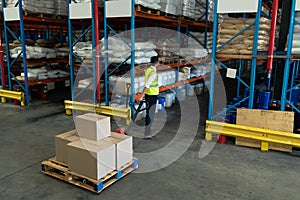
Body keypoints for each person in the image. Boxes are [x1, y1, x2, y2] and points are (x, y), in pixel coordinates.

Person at [138, 56, 160, 140]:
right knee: (150, 114)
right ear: (157, 62)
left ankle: (148, 133)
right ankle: (147, 134)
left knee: (149, 114)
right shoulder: (153, 73)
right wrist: (141, 96)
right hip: (151, 95)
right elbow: (147, 85)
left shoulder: (149, 70)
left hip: (150, 94)